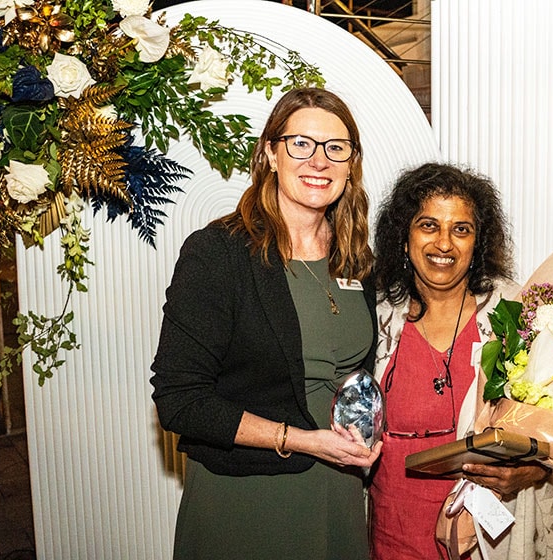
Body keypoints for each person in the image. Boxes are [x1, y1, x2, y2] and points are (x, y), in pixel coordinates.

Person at [150, 87, 382, 559]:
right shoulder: (219, 253)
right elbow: (179, 400)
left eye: (336, 148)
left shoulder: (356, 258)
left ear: (350, 164)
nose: (319, 161)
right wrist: (300, 441)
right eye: (301, 143)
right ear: (271, 154)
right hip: (247, 500)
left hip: (336, 494)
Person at [370, 162, 553, 560]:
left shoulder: (516, 313)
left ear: (478, 242)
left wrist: (533, 470)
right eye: (428, 225)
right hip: (394, 530)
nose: (444, 243)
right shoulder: (372, 314)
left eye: (461, 229)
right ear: (403, 237)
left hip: (492, 534)